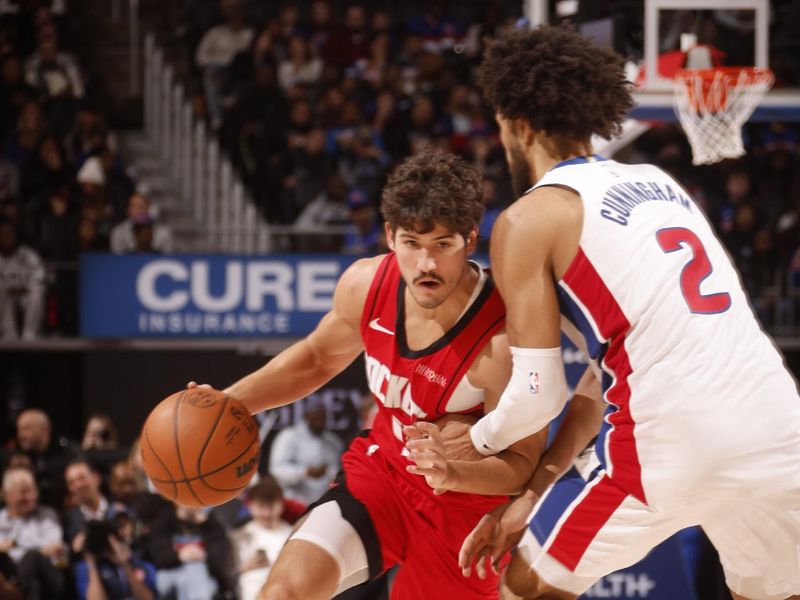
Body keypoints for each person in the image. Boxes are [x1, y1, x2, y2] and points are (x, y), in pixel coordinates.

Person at [435, 25, 800, 600]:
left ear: (520, 125)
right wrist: (537, 492)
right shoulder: (659, 183)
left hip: (672, 439)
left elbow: (537, 393)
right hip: (779, 428)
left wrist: (475, 441)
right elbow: (604, 377)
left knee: (525, 585)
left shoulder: (529, 219)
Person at [193, 149, 545, 600]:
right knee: (282, 593)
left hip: (467, 513)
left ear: (470, 240)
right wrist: (229, 403)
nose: (427, 265)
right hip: (383, 476)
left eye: (443, 244)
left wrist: (452, 473)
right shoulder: (365, 284)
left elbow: (522, 465)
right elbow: (316, 358)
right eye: (412, 244)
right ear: (389, 236)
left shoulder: (503, 338)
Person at [0, 467, 67, 600]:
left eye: (33, 490)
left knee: (33, 557)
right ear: (7, 495)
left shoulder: (47, 516)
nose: (31, 497)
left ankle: (16, 589)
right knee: (34, 585)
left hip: (50, 577)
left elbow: (54, 548)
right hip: (14, 579)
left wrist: (14, 544)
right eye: (24, 492)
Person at [269, 398, 343, 506]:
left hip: (324, 503)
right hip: (293, 502)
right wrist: (304, 473)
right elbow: (276, 469)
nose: (320, 420)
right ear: (306, 415)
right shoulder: (289, 436)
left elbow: (338, 472)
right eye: (316, 415)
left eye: (323, 417)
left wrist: (326, 472)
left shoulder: (333, 442)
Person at [231, 477, 292, 600]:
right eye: (260, 506)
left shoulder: (292, 534)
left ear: (281, 504)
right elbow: (227, 574)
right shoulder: (240, 535)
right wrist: (245, 567)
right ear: (250, 506)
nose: (266, 513)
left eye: (271, 506)